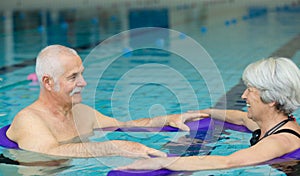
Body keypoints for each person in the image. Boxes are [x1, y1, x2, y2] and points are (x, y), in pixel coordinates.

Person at [6, 45, 203, 159]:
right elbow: (50, 152)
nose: (83, 83)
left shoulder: (81, 112)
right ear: (48, 82)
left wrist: (168, 119)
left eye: (81, 74)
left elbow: (124, 126)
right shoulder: (29, 120)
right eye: (73, 77)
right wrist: (114, 148)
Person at [120, 57, 300, 171]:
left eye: (250, 91)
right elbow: (240, 117)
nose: (244, 95)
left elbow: (228, 162)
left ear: (271, 99)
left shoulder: (279, 141)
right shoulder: (271, 124)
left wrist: (163, 162)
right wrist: (205, 112)